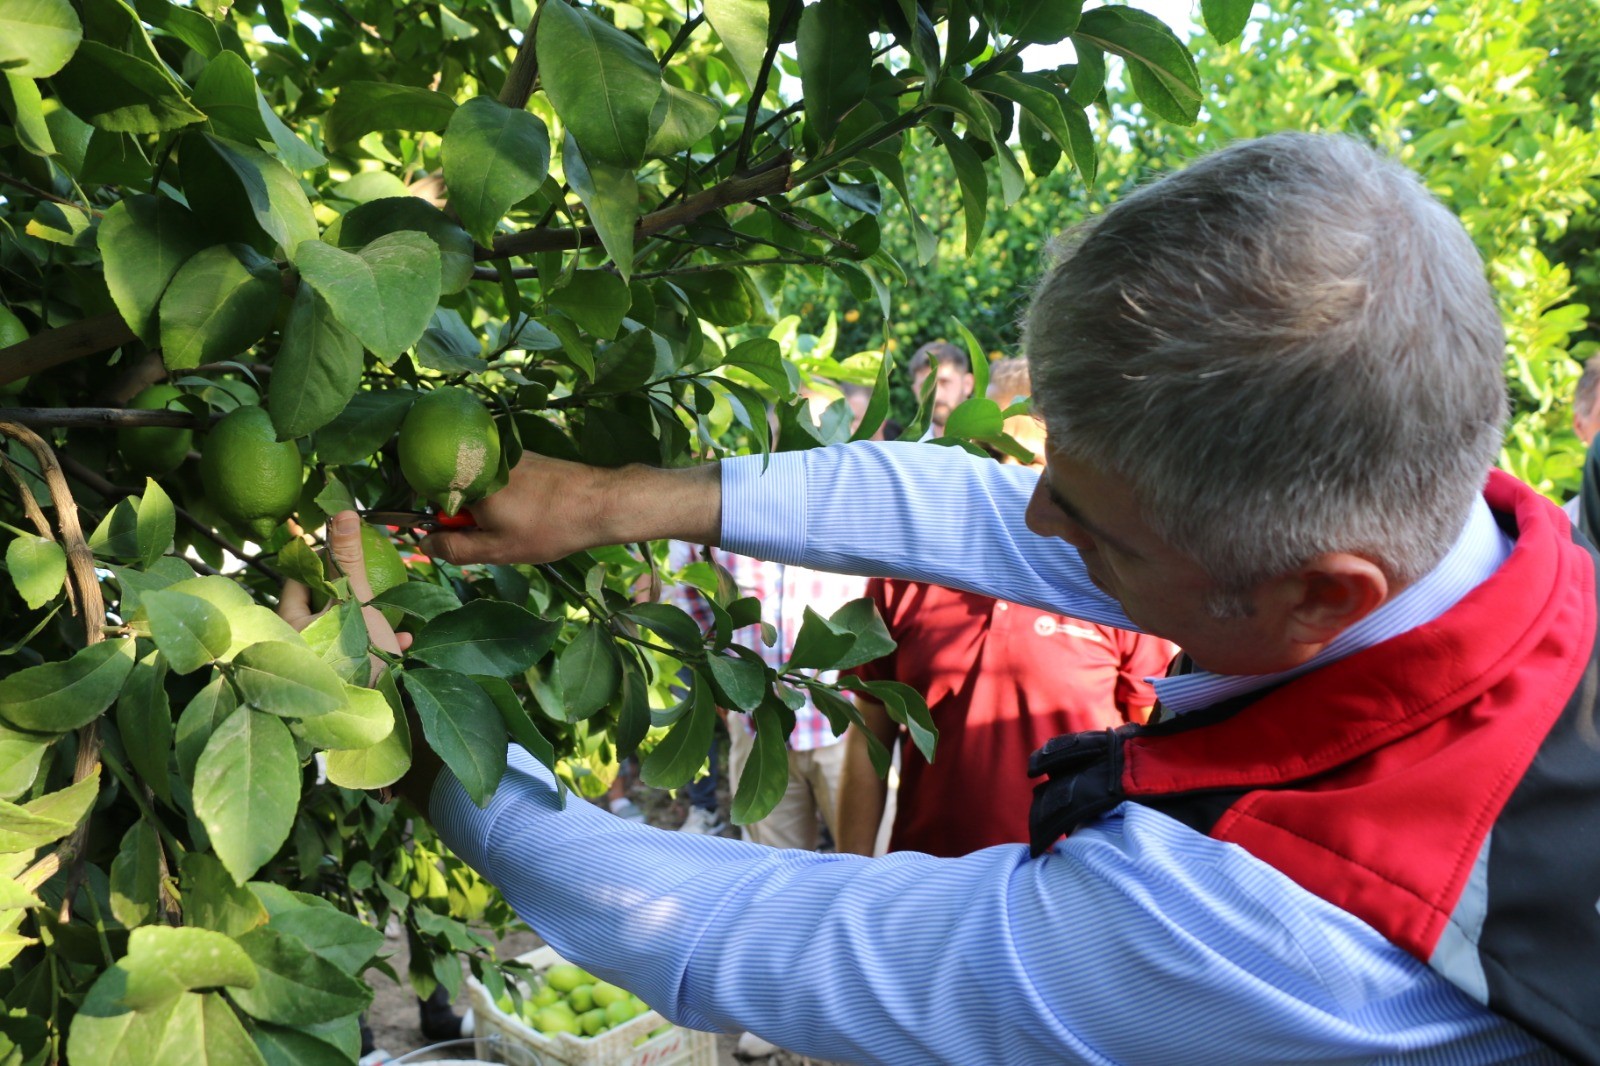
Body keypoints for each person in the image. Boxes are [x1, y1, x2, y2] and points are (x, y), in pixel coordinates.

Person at [382, 133, 1590, 1062]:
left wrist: (417, 730)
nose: (1033, 526)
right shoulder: (1483, 560)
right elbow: (966, 507)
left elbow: (747, 932)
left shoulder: (1295, 928)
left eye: (1093, 526)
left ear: (1320, 594)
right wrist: (607, 501)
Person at [835, 359, 1178, 858]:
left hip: (1067, 890)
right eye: (994, 452)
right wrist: (853, 871)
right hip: (929, 882)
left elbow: (1151, 746)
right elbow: (869, 741)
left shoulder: (1113, 584)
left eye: (1034, 462)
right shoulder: (908, 571)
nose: (1008, 476)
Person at [906, 340, 972, 436]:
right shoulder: (908, 449)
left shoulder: (992, 444)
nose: (936, 396)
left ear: (967, 384)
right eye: (925, 386)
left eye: (944, 382)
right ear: (915, 391)